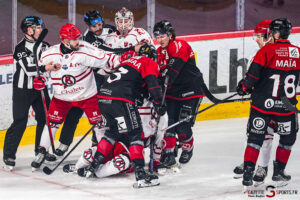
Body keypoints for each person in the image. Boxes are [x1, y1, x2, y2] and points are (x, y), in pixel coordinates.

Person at [30, 23, 120, 170]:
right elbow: (44, 73)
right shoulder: (49, 54)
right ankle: (42, 151)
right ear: (64, 40)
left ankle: (104, 153)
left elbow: (107, 59)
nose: (78, 41)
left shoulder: (85, 50)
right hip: (61, 98)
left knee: (99, 125)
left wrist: (121, 63)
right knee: (52, 124)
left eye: (78, 38)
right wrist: (40, 80)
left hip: (87, 96)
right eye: (73, 39)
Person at [55, 9, 144, 156]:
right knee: (76, 109)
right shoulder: (87, 38)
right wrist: (132, 49)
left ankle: (100, 142)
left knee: (105, 111)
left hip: (114, 74)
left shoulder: (111, 29)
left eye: (99, 23)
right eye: (93, 25)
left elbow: (120, 44)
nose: (98, 28)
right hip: (93, 77)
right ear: (88, 26)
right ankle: (65, 143)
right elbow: (107, 50)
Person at [81, 44, 165, 188]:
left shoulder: (127, 62)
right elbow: (152, 83)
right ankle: (141, 174)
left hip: (103, 98)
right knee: (135, 134)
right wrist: (159, 102)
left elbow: (127, 82)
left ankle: (93, 166)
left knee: (112, 132)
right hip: (121, 100)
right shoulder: (148, 61)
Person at [236, 18, 300, 187]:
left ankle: (248, 175)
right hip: (286, 106)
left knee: (255, 138)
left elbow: (253, 77)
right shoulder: (297, 52)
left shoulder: (267, 50)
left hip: (262, 105)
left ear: (275, 33)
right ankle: (278, 173)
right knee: (287, 140)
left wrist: (243, 87)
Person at [3, 16, 59, 170]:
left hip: (40, 89)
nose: (41, 29)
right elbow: (28, 70)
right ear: (29, 30)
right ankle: (9, 154)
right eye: (38, 27)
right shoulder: (20, 48)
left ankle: (40, 150)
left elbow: (53, 63)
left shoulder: (45, 45)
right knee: (20, 121)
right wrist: (45, 69)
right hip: (22, 90)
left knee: (45, 119)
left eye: (41, 27)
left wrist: (47, 72)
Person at [153, 20, 204, 170]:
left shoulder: (180, 45)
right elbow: (158, 75)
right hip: (172, 93)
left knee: (182, 127)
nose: (159, 39)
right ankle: (168, 153)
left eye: (162, 36)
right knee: (168, 123)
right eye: (157, 36)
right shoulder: (158, 52)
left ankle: (188, 148)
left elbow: (171, 72)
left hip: (190, 91)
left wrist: (161, 81)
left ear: (170, 35)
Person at [233, 20, 276, 185]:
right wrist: (245, 87)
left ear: (269, 35)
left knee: (266, 136)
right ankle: (250, 162)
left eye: (258, 36)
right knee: (252, 134)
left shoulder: (280, 53)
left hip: (274, 104)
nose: (256, 39)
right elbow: (251, 79)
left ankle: (263, 166)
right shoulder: (256, 55)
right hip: (259, 102)